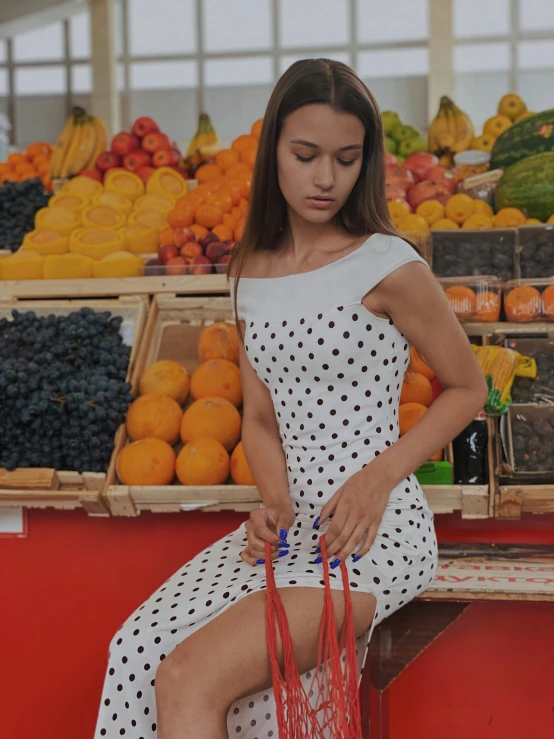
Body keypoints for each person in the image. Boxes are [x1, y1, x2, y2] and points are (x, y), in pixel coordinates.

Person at [94, 58, 487, 739]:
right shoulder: (249, 271)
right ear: (273, 148)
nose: (325, 177)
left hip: (375, 532)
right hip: (291, 532)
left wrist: (377, 478)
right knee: (133, 652)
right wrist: (272, 500)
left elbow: (467, 386)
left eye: (345, 157)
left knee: (192, 676)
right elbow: (259, 418)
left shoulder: (389, 265)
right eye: (305, 155)